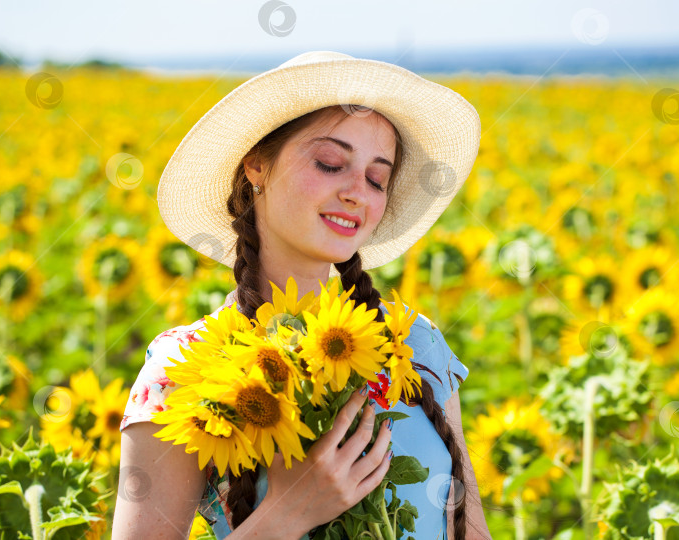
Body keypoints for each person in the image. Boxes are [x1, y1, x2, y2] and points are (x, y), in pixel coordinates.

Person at [113, 50, 492, 539]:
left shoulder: (413, 342)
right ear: (257, 167)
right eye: (331, 163)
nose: (358, 191)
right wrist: (287, 513)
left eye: (378, 178)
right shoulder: (183, 369)